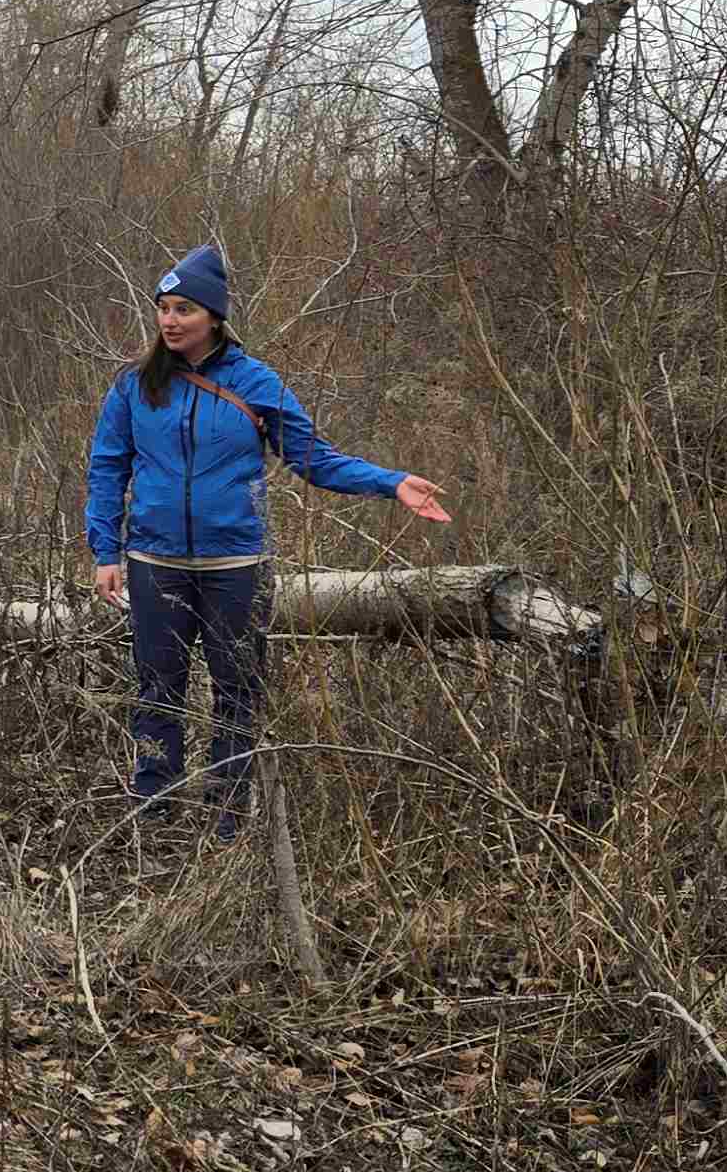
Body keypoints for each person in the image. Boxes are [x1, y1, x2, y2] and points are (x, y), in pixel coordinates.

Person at [82, 243, 451, 842]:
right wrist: (105, 551)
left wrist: (391, 483)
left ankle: (228, 815)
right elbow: (107, 468)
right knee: (158, 685)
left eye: (184, 309)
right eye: (163, 309)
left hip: (237, 565)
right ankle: (155, 808)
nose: (171, 321)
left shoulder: (256, 383)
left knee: (238, 689)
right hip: (154, 563)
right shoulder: (133, 388)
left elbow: (314, 460)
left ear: (214, 316)